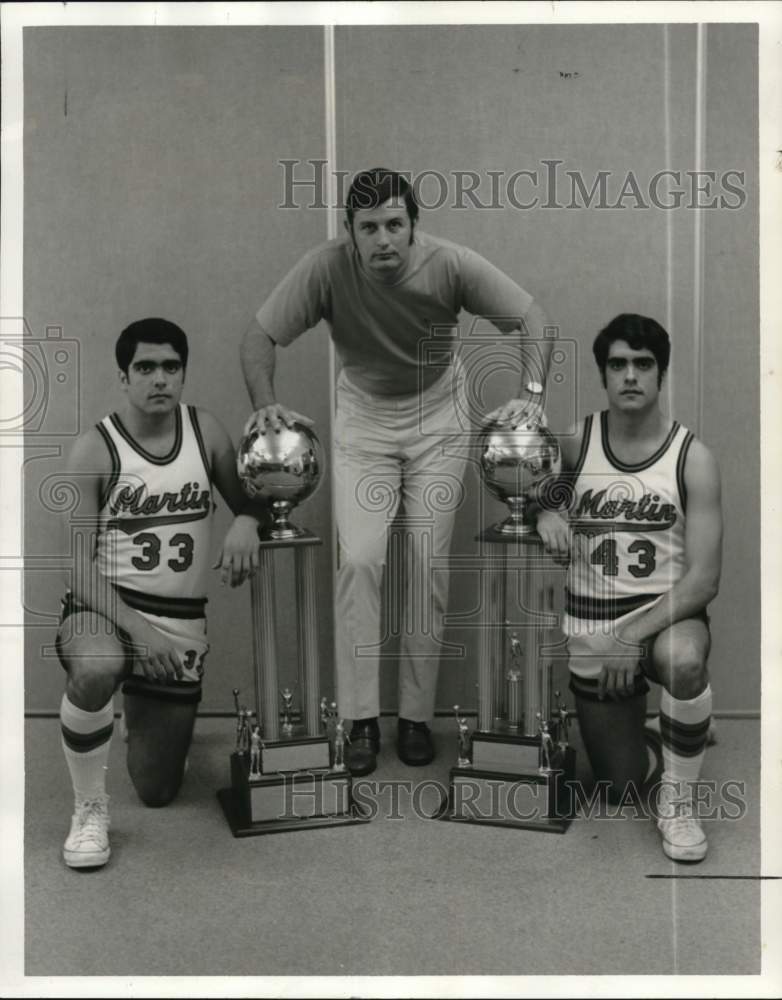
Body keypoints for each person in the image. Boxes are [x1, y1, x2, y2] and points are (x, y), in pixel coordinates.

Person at [240, 167, 553, 776]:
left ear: (413, 226)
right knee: (359, 559)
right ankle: (359, 720)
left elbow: (530, 316)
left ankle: (414, 718)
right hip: (363, 416)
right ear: (350, 234)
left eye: (394, 225)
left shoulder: (451, 264)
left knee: (425, 566)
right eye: (368, 228)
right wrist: (264, 402)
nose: (383, 240)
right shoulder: (326, 267)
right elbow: (258, 337)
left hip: (439, 411)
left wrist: (533, 391)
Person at [56, 318, 264, 868]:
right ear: (123, 376)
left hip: (179, 620)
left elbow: (256, 498)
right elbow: (77, 568)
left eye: (171, 367)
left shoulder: (207, 432)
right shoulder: (95, 449)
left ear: (183, 373)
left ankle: (132, 718)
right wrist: (138, 631)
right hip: (104, 609)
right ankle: (89, 809)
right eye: (145, 367)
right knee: (98, 666)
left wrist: (247, 519)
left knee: (157, 789)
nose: (159, 379)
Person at [535, 313, 722, 862]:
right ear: (604, 374)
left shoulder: (693, 458)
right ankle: (665, 737)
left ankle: (680, 805)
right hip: (594, 619)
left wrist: (632, 635)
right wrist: (545, 510)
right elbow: (519, 476)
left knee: (684, 663)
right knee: (619, 790)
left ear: (661, 374)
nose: (631, 375)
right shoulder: (577, 441)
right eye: (618, 364)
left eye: (643, 364)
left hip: (666, 615)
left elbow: (705, 581)